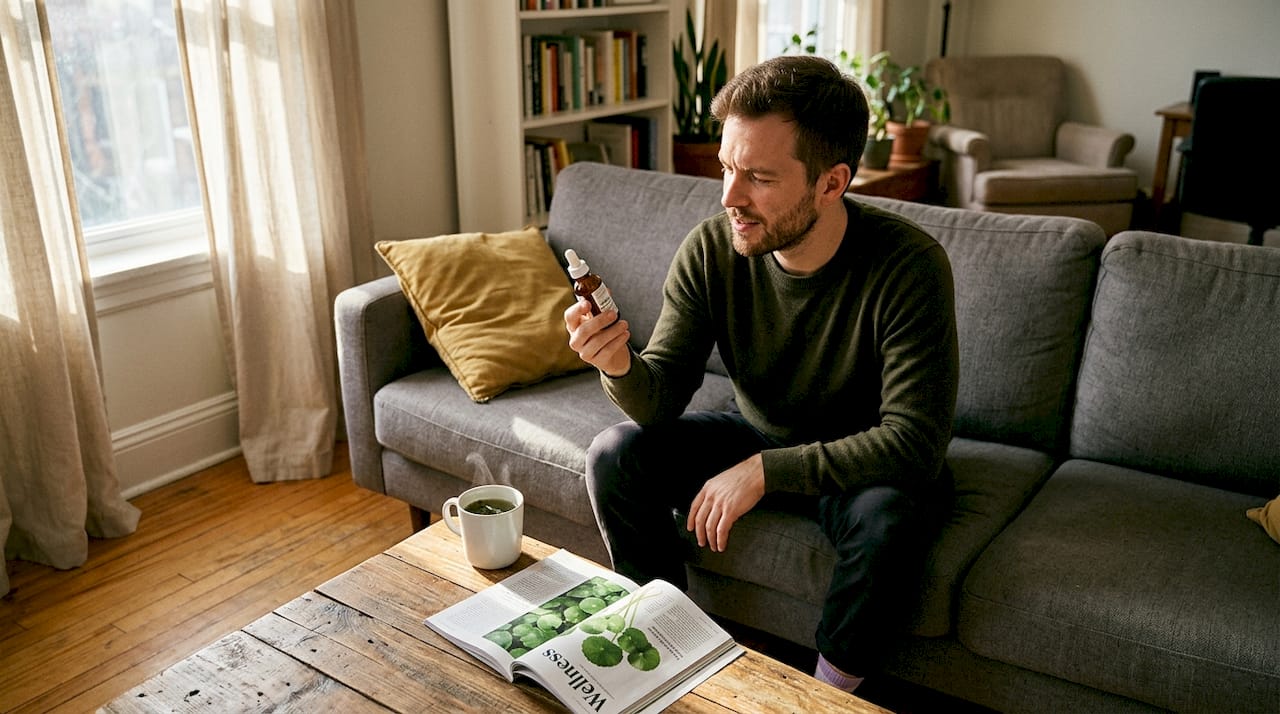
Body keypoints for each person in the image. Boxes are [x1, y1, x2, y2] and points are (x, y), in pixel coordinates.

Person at [563, 54, 959, 693]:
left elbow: (915, 442)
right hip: (762, 432)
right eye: (726, 167)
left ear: (832, 184)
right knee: (615, 453)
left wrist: (765, 472)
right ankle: (665, 648)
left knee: (892, 520)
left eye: (759, 177)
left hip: (863, 460)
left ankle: (826, 697)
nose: (730, 197)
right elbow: (659, 397)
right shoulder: (713, 248)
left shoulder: (909, 266)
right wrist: (618, 365)